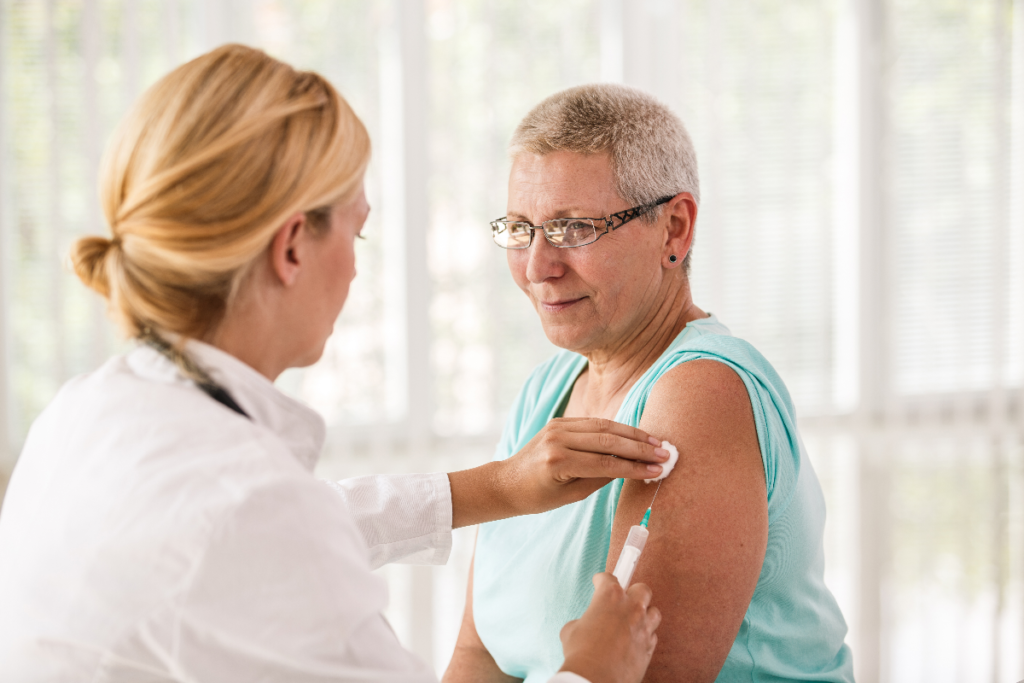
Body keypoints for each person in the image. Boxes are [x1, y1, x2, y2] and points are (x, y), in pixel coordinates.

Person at [0, 46, 666, 683]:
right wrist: (591, 669)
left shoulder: (87, 410)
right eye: (358, 230)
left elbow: (273, 532)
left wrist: (494, 485)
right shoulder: (243, 506)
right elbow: (262, 532)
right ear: (292, 246)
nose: (354, 265)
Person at [445, 85, 855, 683]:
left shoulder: (700, 394)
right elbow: (478, 656)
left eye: (574, 228)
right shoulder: (545, 392)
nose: (537, 267)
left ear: (674, 230)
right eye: (520, 227)